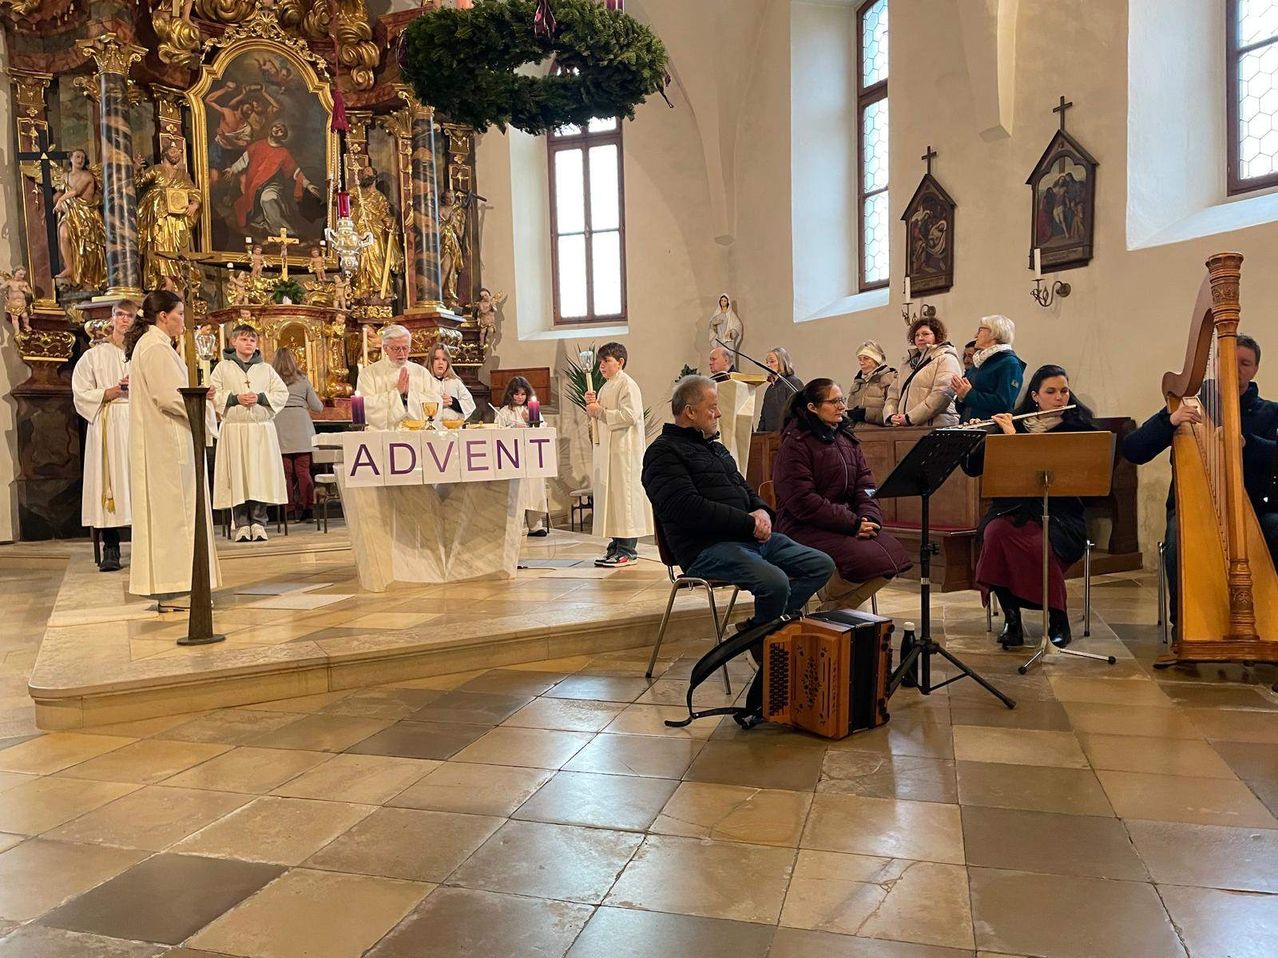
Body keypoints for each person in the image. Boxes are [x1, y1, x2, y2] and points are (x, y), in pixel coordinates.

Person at [643, 375, 834, 629]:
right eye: (712, 407)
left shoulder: (716, 449)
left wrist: (762, 511)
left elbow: (744, 489)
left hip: (746, 540)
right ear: (690, 411)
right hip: (706, 548)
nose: (719, 414)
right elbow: (688, 509)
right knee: (775, 582)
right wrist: (748, 523)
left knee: (820, 565)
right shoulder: (663, 452)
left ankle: (760, 630)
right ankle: (766, 639)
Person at [1123, 334, 1278, 623]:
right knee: (1178, 537)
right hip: (1195, 510)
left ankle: (1270, 619)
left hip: (1256, 510)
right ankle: (1185, 625)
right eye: (1229, 361)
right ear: (1216, 363)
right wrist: (1168, 421)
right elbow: (1133, 450)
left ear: (1255, 369)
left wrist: (1246, 443)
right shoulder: (1189, 406)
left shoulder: (1270, 412)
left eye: (1245, 363)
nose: (1236, 369)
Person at [962, 364, 1096, 648]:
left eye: (1063, 391)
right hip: (1012, 511)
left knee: (1038, 545)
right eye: (1051, 391)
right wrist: (978, 437)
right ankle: (1012, 619)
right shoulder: (1016, 423)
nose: (1059, 397)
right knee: (994, 536)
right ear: (1035, 396)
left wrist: (1012, 439)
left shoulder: (1079, 428)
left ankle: (1058, 617)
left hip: (1060, 515)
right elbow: (973, 468)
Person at [773, 378, 911, 610]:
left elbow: (866, 486)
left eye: (842, 400)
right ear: (812, 408)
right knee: (865, 561)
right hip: (803, 525)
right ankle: (827, 598)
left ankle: (829, 611)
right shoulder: (796, 442)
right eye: (834, 401)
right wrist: (853, 523)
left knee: (894, 556)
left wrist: (869, 518)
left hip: (845, 523)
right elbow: (803, 501)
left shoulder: (845, 438)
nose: (842, 407)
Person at [124, 290, 221, 603]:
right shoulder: (155, 348)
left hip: (164, 441)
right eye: (179, 313)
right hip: (167, 443)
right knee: (175, 516)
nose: (183, 320)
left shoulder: (155, 346)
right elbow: (167, 397)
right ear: (162, 316)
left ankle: (175, 586)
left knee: (172, 514)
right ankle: (176, 587)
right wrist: (200, 398)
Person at [72, 300, 136, 572]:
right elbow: (80, 392)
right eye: (120, 315)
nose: (124, 320)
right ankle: (111, 546)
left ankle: (146, 545)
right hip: (109, 420)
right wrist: (106, 393)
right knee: (109, 482)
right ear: (112, 319)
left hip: (136, 420)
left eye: (130, 315)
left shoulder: (143, 353)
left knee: (137, 480)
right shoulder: (94, 356)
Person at [210, 324, 289, 542]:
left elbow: (282, 393)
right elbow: (212, 392)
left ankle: (259, 522)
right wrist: (234, 398)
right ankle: (242, 524)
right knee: (238, 476)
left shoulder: (266, 369)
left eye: (252, 340)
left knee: (259, 476)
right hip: (235, 429)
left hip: (260, 430)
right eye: (244, 339)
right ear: (233, 342)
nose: (249, 343)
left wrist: (261, 397)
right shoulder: (222, 368)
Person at [585, 342, 652, 566]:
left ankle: (627, 550)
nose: (602, 366)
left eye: (607, 361)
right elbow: (600, 418)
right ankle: (615, 545)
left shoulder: (627, 384)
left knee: (624, 499)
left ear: (620, 362)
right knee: (613, 499)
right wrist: (592, 409)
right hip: (609, 453)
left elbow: (629, 416)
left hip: (624, 453)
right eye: (600, 362)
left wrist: (599, 411)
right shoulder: (607, 386)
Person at [223, 121, 324, 233]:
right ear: (271, 128)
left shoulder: (284, 153)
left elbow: (295, 171)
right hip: (254, 185)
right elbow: (244, 160)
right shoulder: (258, 145)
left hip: (272, 185)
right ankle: (264, 223)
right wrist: (232, 169)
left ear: (283, 136)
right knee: (246, 208)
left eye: (281, 130)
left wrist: (308, 185)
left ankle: (285, 232)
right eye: (276, 127)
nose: (277, 130)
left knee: (268, 199)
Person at [135, 141, 202, 293]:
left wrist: (194, 205)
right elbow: (139, 182)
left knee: (178, 247)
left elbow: (194, 192)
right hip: (158, 215)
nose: (175, 153)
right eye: (172, 150)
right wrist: (137, 169)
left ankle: (177, 280)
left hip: (177, 219)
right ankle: (165, 280)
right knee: (159, 244)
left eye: (178, 151)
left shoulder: (183, 175)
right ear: (164, 153)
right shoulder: (157, 169)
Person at [271, 347, 323, 522]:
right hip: (301, 426)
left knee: (285, 472)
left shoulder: (271, 380)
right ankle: (308, 509)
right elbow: (318, 407)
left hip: (279, 425)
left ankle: (289, 510)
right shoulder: (303, 380)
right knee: (303, 470)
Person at [884, 316, 962, 427]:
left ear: (937, 336)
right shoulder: (907, 363)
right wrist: (891, 415)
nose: (920, 338)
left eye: (925, 334)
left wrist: (910, 418)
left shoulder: (946, 358)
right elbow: (893, 393)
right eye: (917, 335)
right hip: (906, 426)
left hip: (935, 426)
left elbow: (942, 394)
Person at [495, 376, 549, 536]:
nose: (520, 397)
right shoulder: (504, 411)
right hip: (512, 457)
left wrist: (530, 421)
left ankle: (535, 525)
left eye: (523, 394)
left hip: (531, 456)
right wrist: (513, 426)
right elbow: (498, 429)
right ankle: (517, 525)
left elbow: (542, 427)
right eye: (517, 394)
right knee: (517, 492)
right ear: (510, 395)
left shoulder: (532, 409)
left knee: (533, 489)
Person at [951, 315, 1025, 423]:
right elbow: (963, 408)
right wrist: (961, 397)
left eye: (980, 330)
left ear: (994, 333)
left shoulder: (1009, 363)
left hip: (992, 429)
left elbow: (1004, 403)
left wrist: (969, 394)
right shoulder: (979, 361)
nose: (975, 335)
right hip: (968, 425)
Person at [355, 325, 432, 430]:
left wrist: (409, 395)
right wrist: (396, 393)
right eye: (396, 348)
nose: (401, 353)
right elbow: (366, 406)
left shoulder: (421, 373)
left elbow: (434, 402)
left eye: (405, 348)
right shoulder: (369, 373)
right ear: (385, 348)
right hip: (384, 435)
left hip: (416, 434)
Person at [846, 340, 896, 427]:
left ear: (876, 359)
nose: (861, 362)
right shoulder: (858, 382)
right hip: (856, 433)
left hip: (879, 434)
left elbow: (893, 413)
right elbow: (850, 409)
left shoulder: (890, 379)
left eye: (866, 358)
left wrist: (866, 414)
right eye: (859, 359)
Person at [425, 345, 476, 424]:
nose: (441, 362)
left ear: (448, 363)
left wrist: (453, 402)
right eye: (436, 359)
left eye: (444, 359)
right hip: (430, 428)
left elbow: (470, 404)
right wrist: (436, 402)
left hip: (452, 428)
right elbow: (415, 405)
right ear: (430, 361)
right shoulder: (424, 381)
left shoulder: (455, 382)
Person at [756, 346, 803, 433]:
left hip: (787, 436)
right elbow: (764, 417)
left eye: (772, 361)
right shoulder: (770, 388)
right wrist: (758, 435)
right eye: (767, 362)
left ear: (783, 362)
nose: (768, 365)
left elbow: (797, 413)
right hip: (769, 437)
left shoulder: (793, 383)